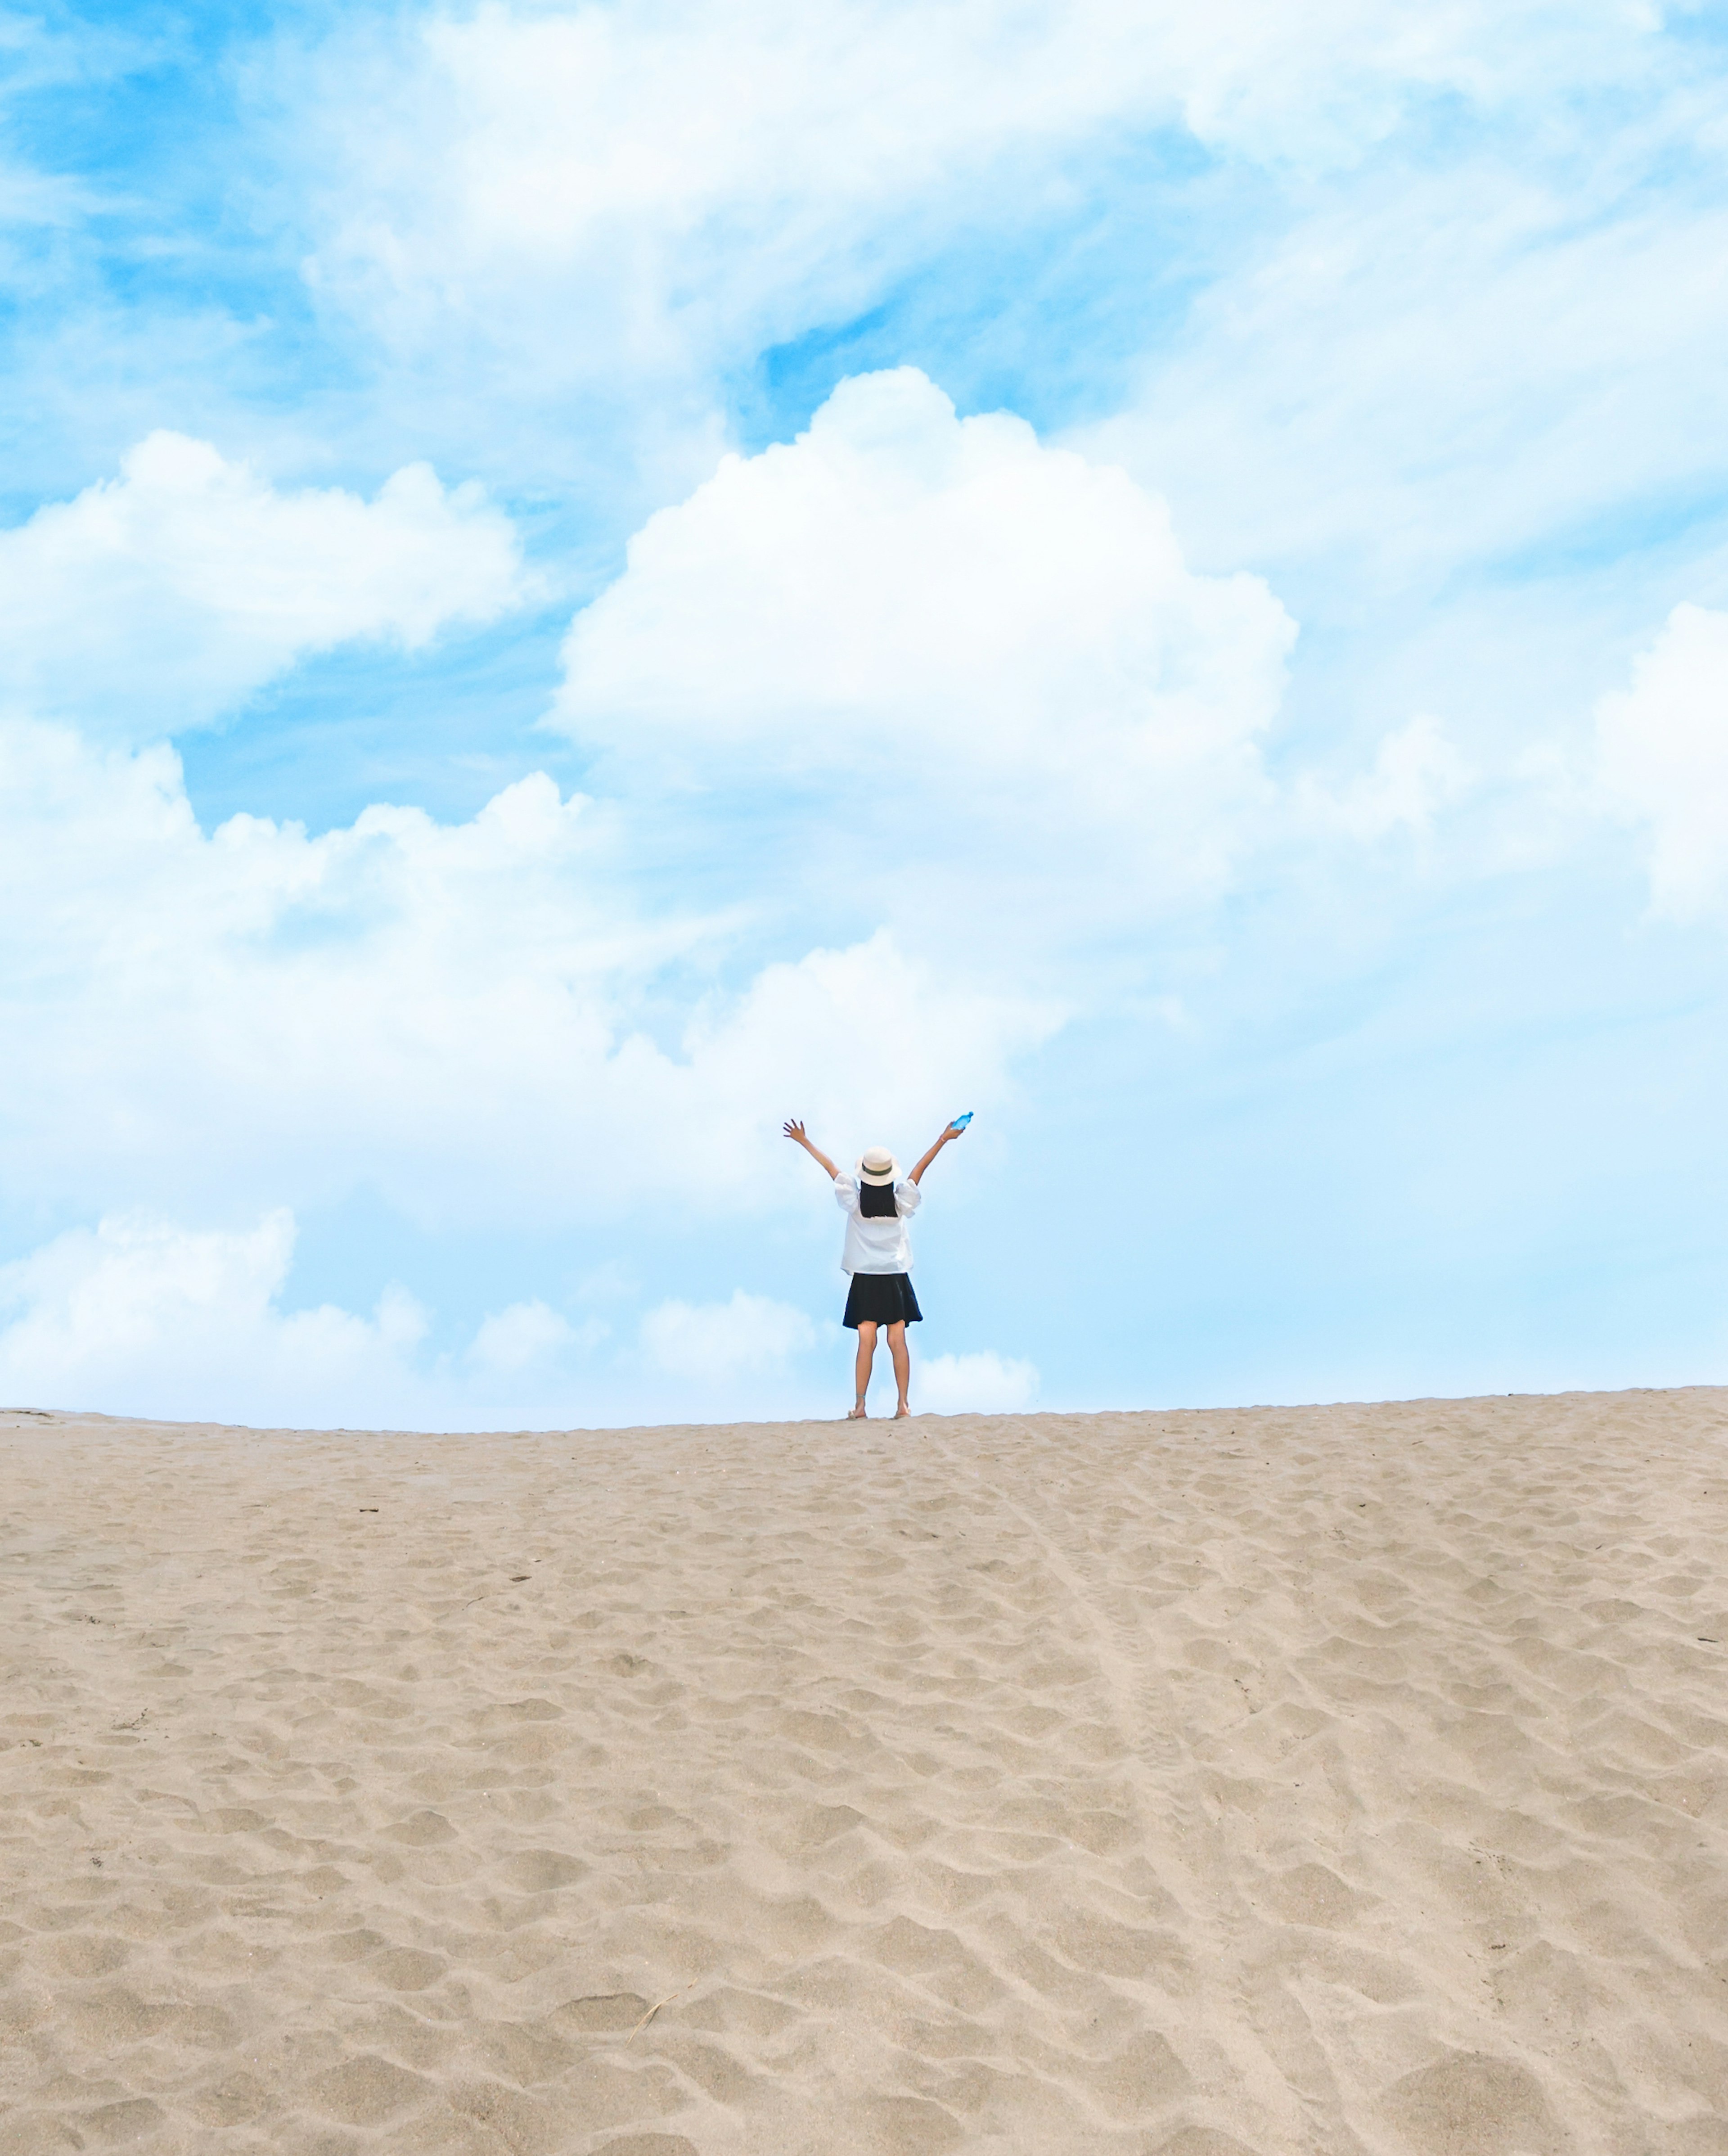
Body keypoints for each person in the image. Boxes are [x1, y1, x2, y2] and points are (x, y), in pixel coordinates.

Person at [783, 1116, 967, 1419]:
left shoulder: (854, 1203)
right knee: (898, 1340)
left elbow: (831, 1169)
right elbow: (920, 1171)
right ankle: (903, 1405)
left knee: (866, 1341)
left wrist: (804, 1142)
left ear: (865, 1177)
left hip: (866, 1279)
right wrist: (943, 1139)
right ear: (889, 1177)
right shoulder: (900, 1203)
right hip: (894, 1277)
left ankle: (860, 1406)